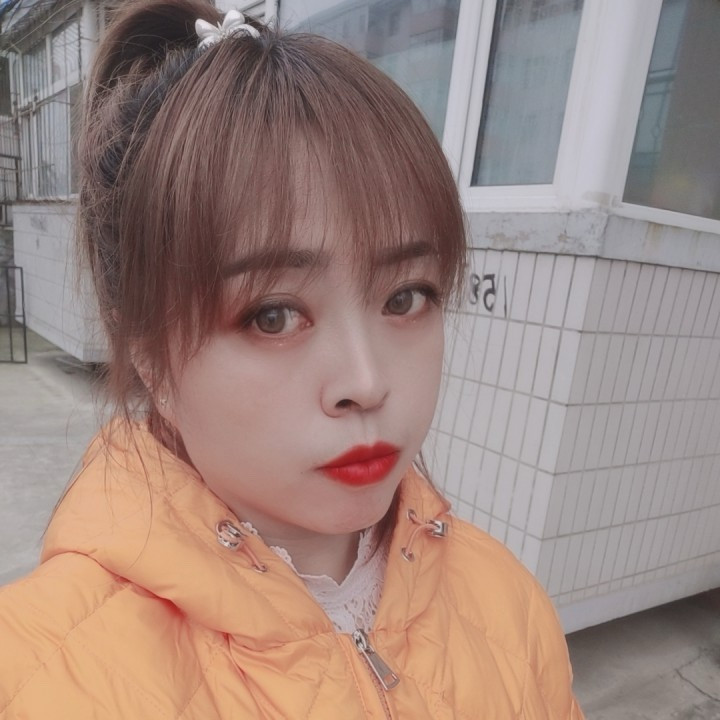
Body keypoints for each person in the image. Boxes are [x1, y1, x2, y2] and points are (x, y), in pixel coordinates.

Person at [0, 1, 584, 717]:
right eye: (272, 315)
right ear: (149, 354)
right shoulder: (43, 678)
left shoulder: (507, 602)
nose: (366, 382)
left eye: (405, 297)